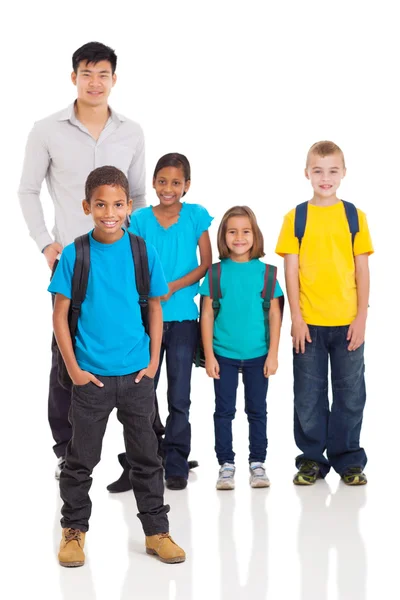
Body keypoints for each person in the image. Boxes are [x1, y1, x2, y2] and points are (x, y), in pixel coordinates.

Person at [18, 41, 147, 479]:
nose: (95, 82)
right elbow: (27, 190)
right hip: (73, 262)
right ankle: (65, 449)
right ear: (74, 77)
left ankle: (141, 451)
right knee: (66, 353)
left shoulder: (132, 132)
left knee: (133, 346)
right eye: (87, 74)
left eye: (103, 74)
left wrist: (140, 253)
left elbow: (140, 195)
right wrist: (44, 242)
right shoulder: (46, 129)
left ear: (114, 79)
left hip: (124, 261)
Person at [49, 165, 185, 567]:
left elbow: (156, 307)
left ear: (129, 206)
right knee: (79, 462)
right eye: (101, 204)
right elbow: (59, 315)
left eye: (118, 204)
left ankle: (156, 531)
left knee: (146, 458)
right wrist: (74, 370)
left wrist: (153, 359)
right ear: (87, 205)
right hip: (90, 379)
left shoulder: (143, 251)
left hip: (137, 377)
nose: (110, 212)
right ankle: (73, 531)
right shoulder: (75, 253)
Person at [275, 140, 374, 486]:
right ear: (307, 173)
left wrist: (361, 317)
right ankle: (312, 459)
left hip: (347, 322)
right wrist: (297, 319)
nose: (325, 177)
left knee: (350, 393)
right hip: (310, 325)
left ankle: (348, 458)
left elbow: (362, 270)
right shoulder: (296, 217)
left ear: (343, 173)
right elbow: (290, 270)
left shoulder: (354, 216)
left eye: (333, 170)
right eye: (318, 170)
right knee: (308, 394)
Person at [125, 152, 213, 491]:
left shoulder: (196, 216)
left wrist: (172, 286)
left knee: (179, 394)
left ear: (186, 185)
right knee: (143, 391)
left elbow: (205, 264)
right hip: (147, 320)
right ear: (153, 183)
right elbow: (131, 260)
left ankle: (176, 460)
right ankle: (149, 456)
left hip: (184, 320)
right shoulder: (141, 219)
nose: (168, 188)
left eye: (176, 182)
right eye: (162, 181)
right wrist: (149, 292)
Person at [200, 206, 283, 490]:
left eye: (245, 231)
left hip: (258, 354)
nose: (239, 237)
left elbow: (274, 314)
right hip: (223, 354)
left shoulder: (268, 273)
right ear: (223, 236)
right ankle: (226, 464)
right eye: (232, 231)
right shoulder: (215, 273)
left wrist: (273, 354)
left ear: (255, 235)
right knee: (223, 411)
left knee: (257, 410)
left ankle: (257, 463)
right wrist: (209, 355)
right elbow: (207, 314)